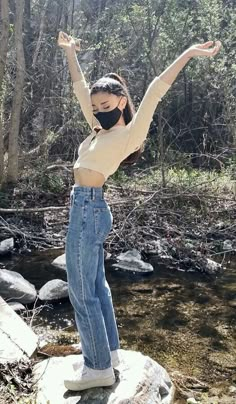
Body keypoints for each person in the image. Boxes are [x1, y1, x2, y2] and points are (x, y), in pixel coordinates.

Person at [57, 31, 221, 391]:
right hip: (86, 206)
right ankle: (109, 354)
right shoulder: (98, 128)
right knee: (96, 287)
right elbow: (80, 85)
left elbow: (157, 89)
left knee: (81, 290)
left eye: (106, 104)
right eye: (96, 106)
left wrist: (189, 52)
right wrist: (70, 52)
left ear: (121, 100)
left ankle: (97, 367)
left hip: (88, 207)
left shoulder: (130, 132)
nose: (99, 110)